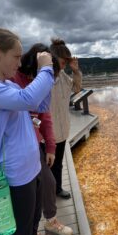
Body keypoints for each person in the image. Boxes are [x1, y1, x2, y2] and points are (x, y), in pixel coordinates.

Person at [0, 28, 57, 235]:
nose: (19, 63)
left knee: (31, 227)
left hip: (32, 169)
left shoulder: (7, 84)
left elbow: (39, 103)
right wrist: (46, 68)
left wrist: (47, 78)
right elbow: (29, 99)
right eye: (16, 57)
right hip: (16, 176)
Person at [14, 43, 73, 235]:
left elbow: (44, 115)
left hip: (33, 142)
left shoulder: (36, 80)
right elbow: (27, 101)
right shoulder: (13, 79)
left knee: (48, 181)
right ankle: (32, 230)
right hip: (13, 146)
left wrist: (50, 147)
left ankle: (50, 221)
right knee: (26, 190)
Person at [49, 38, 82, 199]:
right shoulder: (43, 78)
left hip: (62, 130)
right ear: (53, 59)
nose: (65, 65)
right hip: (46, 133)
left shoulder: (63, 76)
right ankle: (46, 194)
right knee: (45, 165)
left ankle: (58, 189)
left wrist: (75, 71)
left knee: (58, 163)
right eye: (64, 61)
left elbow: (76, 89)